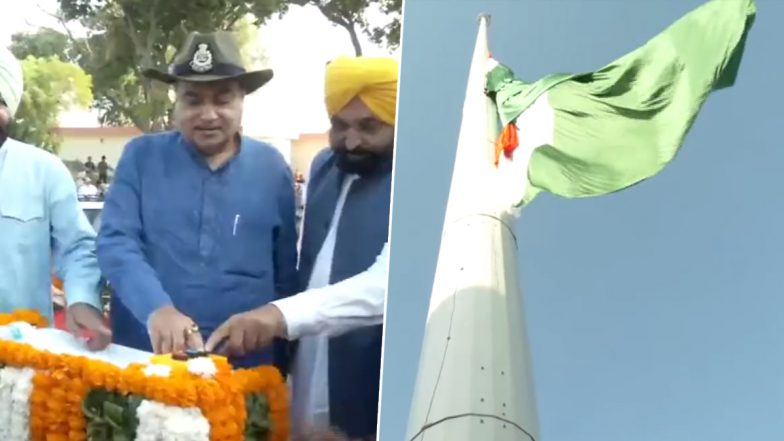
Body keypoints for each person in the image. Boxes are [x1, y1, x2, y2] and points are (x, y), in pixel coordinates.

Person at [207, 56, 397, 440]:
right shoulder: (326, 165)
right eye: (339, 126)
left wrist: (277, 316)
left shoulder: (417, 178)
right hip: (306, 356)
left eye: (369, 126)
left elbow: (388, 284)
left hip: (370, 369)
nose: (352, 140)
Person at [96, 31, 298, 370]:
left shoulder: (272, 167)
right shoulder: (141, 158)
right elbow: (116, 242)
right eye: (193, 100)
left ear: (242, 101)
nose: (208, 114)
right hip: (150, 360)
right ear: (176, 101)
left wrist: (284, 356)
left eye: (222, 99)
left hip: (244, 368)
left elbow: (285, 274)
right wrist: (157, 309)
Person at [0, 46, 110, 349]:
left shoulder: (43, 170)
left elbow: (77, 246)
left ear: (7, 110)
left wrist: (82, 299)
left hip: (22, 355)